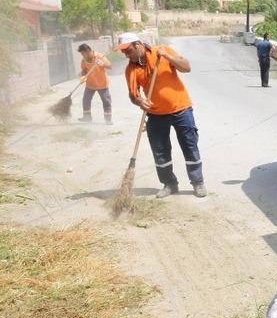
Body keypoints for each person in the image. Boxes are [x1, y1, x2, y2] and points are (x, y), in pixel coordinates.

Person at [116, 32, 207, 198]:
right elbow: (133, 94)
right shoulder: (131, 69)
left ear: (138, 45)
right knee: (160, 152)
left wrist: (169, 57)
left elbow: (186, 67)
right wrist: (139, 101)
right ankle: (169, 184)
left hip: (181, 109)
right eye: (123, 52)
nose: (126, 55)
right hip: (156, 115)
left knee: (190, 146)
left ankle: (198, 182)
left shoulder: (162, 51)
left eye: (127, 51)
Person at [77, 43, 113, 124]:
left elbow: (110, 66)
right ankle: (87, 117)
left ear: (88, 51)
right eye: (81, 54)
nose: (82, 55)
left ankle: (108, 120)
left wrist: (102, 64)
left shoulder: (99, 56)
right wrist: (82, 76)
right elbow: (84, 70)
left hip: (102, 84)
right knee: (86, 100)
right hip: (90, 84)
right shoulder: (83, 60)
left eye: (83, 53)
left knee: (106, 101)